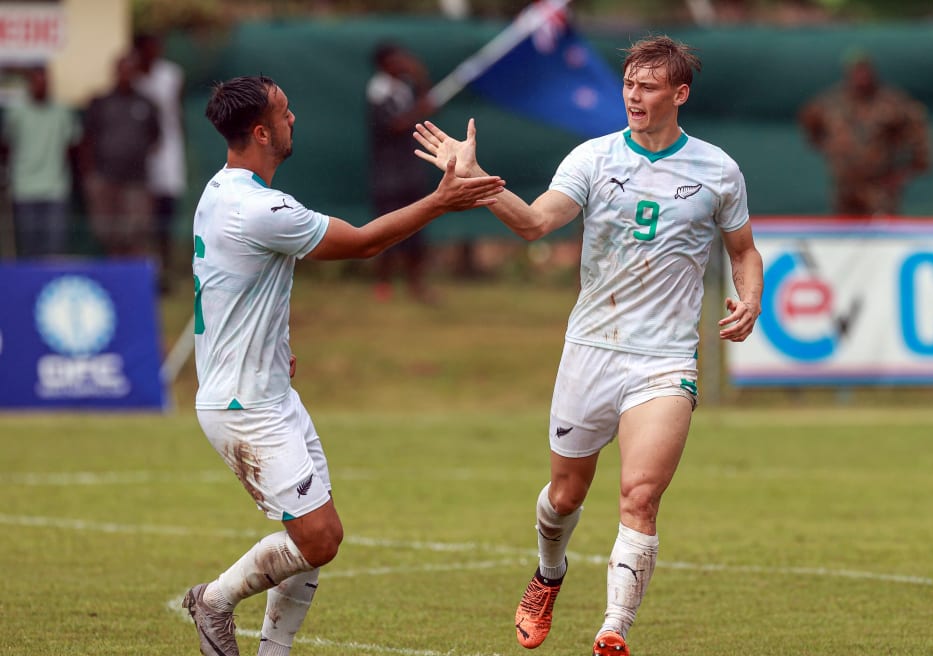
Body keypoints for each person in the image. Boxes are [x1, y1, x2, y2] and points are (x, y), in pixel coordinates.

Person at [414, 35, 763, 656]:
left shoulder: (718, 169)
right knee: (566, 494)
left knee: (640, 495)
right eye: (629, 83)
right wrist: (475, 181)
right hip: (591, 349)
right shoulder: (593, 159)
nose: (635, 95)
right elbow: (535, 222)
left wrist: (750, 297)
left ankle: (612, 630)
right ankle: (549, 574)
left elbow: (743, 251)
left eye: (649, 86)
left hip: (665, 359)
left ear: (678, 94)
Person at [181, 75, 502, 656]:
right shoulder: (259, 208)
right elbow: (361, 244)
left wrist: (273, 347)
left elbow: (238, 285)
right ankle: (214, 601)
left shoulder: (220, 189)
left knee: (310, 534)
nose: (293, 118)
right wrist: (439, 201)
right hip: (244, 403)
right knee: (319, 537)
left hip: (267, 390)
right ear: (260, 131)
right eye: (284, 111)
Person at [798, 50, 933, 217]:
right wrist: (827, 146)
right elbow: (809, 121)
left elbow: (919, 132)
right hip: (844, 188)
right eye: (856, 71)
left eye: (864, 70)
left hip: (879, 187)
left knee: (883, 234)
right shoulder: (831, 102)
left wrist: (906, 171)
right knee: (842, 237)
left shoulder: (892, 102)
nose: (861, 76)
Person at [366, 42, 437, 303]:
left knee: (416, 230)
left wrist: (420, 78)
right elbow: (396, 125)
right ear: (383, 65)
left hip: (409, 171)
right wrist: (421, 110)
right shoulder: (377, 92)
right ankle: (383, 284)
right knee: (386, 230)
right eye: (395, 60)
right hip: (388, 175)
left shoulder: (405, 88)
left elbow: (425, 106)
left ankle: (416, 284)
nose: (401, 63)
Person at [80, 52, 160, 259]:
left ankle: (133, 280)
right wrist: (91, 175)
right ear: (115, 72)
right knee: (108, 234)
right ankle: (114, 277)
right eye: (122, 70)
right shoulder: (100, 102)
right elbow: (86, 139)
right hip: (105, 178)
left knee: (135, 232)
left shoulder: (146, 103)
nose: (126, 75)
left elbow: (155, 136)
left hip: (136, 180)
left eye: (130, 71)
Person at [0, 65, 81, 258]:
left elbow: (73, 147)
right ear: (29, 85)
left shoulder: (62, 112)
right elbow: (6, 147)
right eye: (36, 82)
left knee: (55, 247)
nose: (41, 86)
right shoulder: (16, 114)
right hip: (24, 187)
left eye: (45, 82)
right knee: (28, 246)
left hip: (55, 187)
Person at [133, 31, 187, 292]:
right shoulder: (132, 77)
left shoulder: (171, 75)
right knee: (143, 223)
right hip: (139, 161)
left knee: (166, 217)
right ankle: (145, 275)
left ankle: (166, 273)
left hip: (169, 157)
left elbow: (176, 113)